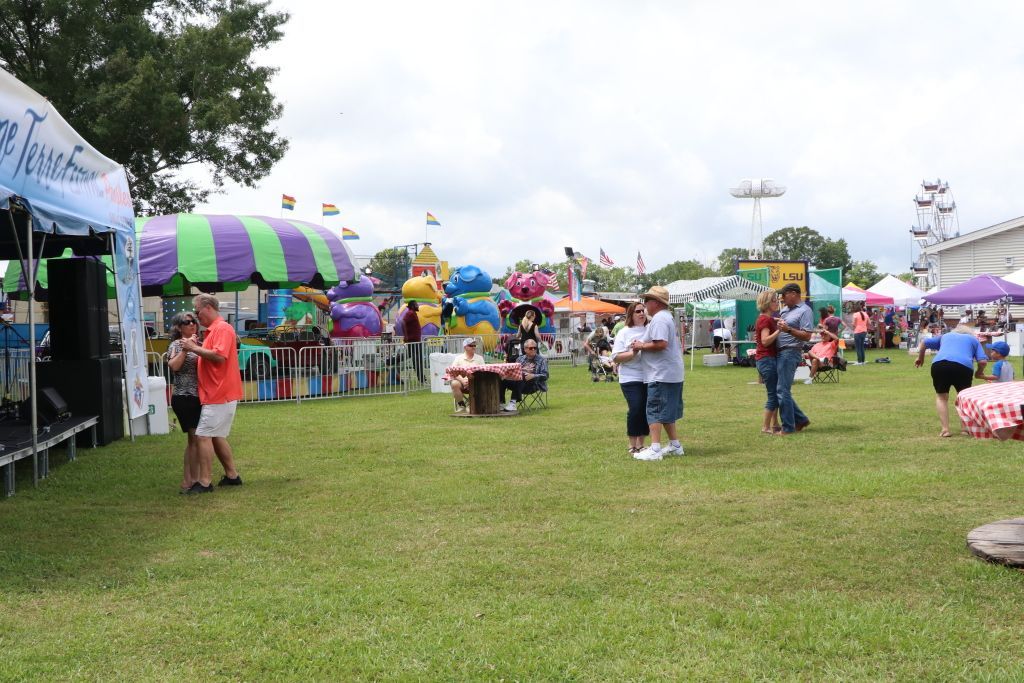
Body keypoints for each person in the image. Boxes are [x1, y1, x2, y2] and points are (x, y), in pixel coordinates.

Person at [179, 294, 243, 493]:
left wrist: (193, 348)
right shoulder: (215, 330)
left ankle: (205, 482)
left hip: (218, 393)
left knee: (203, 436)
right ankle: (232, 476)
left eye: (197, 311)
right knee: (216, 436)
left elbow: (219, 357)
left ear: (208, 308)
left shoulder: (222, 329)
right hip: (219, 392)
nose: (196, 316)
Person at [631, 286, 685, 461]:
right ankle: (675, 445)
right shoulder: (666, 317)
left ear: (655, 302)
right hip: (670, 372)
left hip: (661, 373)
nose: (645, 304)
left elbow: (661, 343)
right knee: (667, 411)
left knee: (654, 409)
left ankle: (655, 449)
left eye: (647, 300)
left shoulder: (660, 319)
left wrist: (640, 345)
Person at [914, 325, 988, 437]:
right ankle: (965, 429)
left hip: (939, 365)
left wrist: (920, 358)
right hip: (963, 367)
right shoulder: (974, 340)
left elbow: (924, 342)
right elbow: (982, 362)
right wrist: (979, 373)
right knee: (963, 398)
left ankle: (945, 430)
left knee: (941, 397)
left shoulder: (946, 336)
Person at [167, 312, 201, 493]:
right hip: (184, 396)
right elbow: (174, 366)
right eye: (187, 322)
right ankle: (191, 480)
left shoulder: (199, 343)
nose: (192, 324)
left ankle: (190, 479)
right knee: (194, 438)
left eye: (194, 321)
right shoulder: (176, 344)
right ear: (179, 328)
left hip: (198, 396)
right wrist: (186, 349)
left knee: (194, 439)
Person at [774, 283, 813, 435]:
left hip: (790, 352)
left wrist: (788, 329)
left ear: (793, 294)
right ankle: (801, 419)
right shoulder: (784, 310)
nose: (782, 298)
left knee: (782, 390)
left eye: (784, 295)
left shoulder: (805, 311)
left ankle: (788, 427)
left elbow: (807, 335)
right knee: (781, 389)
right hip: (780, 352)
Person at [612, 303, 649, 453]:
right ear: (631, 314)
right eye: (638, 311)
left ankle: (641, 444)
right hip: (630, 376)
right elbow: (616, 357)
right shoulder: (624, 332)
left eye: (643, 311)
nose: (642, 313)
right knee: (635, 407)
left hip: (648, 375)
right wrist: (633, 353)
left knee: (645, 409)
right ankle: (632, 444)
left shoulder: (650, 329)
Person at [754, 290, 781, 434]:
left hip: (765, 359)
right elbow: (765, 341)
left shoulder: (765, 318)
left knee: (775, 392)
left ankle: (775, 424)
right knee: (773, 395)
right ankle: (765, 427)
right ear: (767, 303)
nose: (777, 302)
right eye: (774, 300)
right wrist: (779, 331)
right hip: (767, 359)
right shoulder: (765, 320)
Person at [500, 340, 548, 411]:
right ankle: (501, 403)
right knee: (502, 378)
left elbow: (545, 375)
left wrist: (533, 376)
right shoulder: (520, 359)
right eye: (531, 348)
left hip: (533, 385)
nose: (533, 349)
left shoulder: (542, 360)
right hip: (518, 383)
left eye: (535, 348)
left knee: (522, 375)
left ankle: (513, 403)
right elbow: (514, 372)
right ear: (525, 349)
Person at [450, 337, 485, 412]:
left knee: (480, 384)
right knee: (454, 384)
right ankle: (461, 405)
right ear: (465, 347)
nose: (473, 347)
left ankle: (471, 405)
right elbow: (453, 371)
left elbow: (483, 372)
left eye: (474, 345)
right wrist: (462, 380)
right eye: (471, 345)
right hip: (462, 381)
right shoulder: (458, 358)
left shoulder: (480, 358)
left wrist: (471, 380)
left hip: (475, 381)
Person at [806, 309, 840, 384]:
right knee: (810, 352)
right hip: (817, 362)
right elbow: (810, 354)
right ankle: (820, 359)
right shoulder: (817, 345)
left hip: (827, 363)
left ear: (829, 337)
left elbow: (837, 339)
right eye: (822, 335)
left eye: (825, 335)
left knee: (814, 360)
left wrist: (827, 332)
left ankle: (810, 379)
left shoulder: (831, 344)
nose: (823, 336)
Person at [401, 301, 425, 383]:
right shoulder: (410, 313)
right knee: (417, 359)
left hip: (415, 341)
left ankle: (390, 361)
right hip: (413, 341)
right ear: (412, 306)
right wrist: (406, 336)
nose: (418, 306)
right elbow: (403, 322)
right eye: (416, 305)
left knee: (412, 357)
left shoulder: (413, 313)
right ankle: (421, 378)